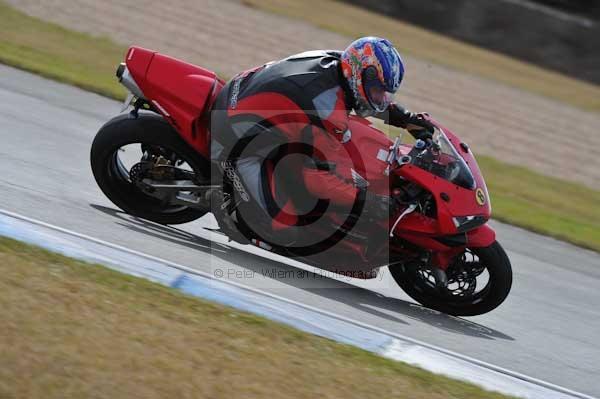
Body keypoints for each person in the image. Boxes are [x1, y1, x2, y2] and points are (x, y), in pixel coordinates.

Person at [209, 36, 434, 245]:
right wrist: (370, 202)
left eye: (385, 93)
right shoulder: (327, 111)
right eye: (377, 91)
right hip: (236, 139)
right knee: (285, 231)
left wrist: (408, 120)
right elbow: (315, 179)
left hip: (244, 94)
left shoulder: (339, 62)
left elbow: (363, 97)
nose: (380, 99)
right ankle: (224, 204)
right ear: (358, 74)